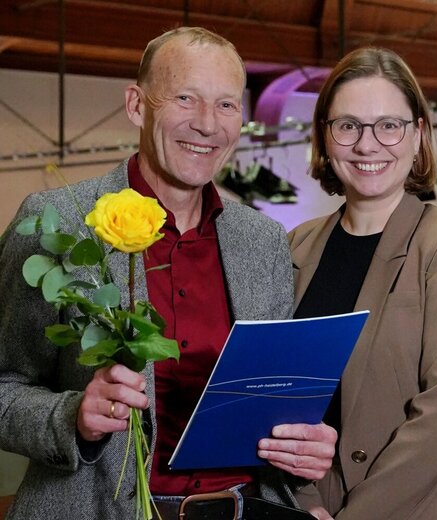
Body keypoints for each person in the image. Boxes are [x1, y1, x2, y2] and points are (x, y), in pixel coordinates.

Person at [0, 27, 335, 520]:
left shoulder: (261, 240)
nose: (208, 124)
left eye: (226, 105)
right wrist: (72, 416)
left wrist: (301, 449)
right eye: (185, 98)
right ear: (137, 106)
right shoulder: (61, 223)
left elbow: (270, 401)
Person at [288, 47, 437, 519]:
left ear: (417, 136)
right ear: (326, 138)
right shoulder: (296, 247)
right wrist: (303, 502)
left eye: (389, 125)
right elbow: (281, 395)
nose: (368, 145)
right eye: (348, 125)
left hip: (433, 505)